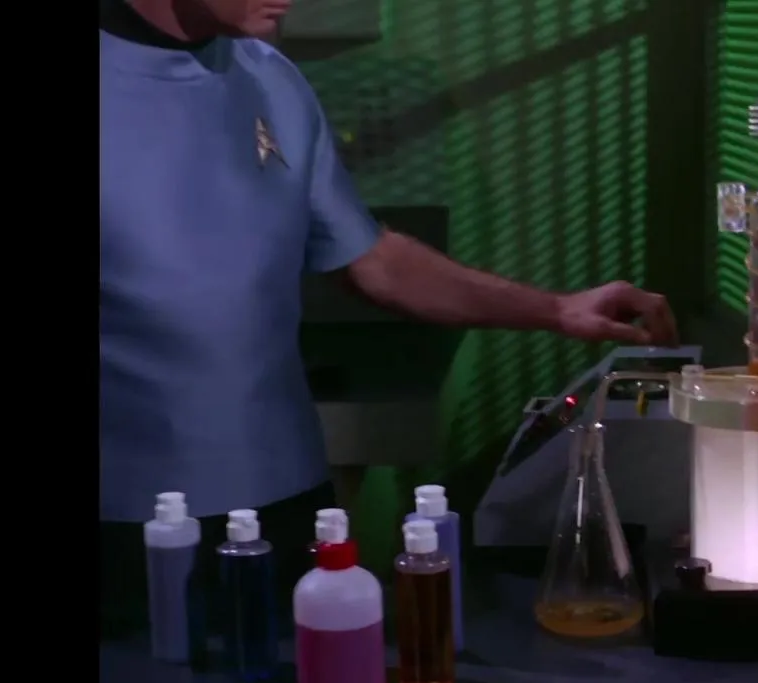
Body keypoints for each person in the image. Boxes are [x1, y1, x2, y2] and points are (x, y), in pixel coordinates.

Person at [99, 0, 678, 634]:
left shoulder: (269, 75)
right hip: (127, 524)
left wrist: (559, 309)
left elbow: (372, 260)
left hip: (288, 505)